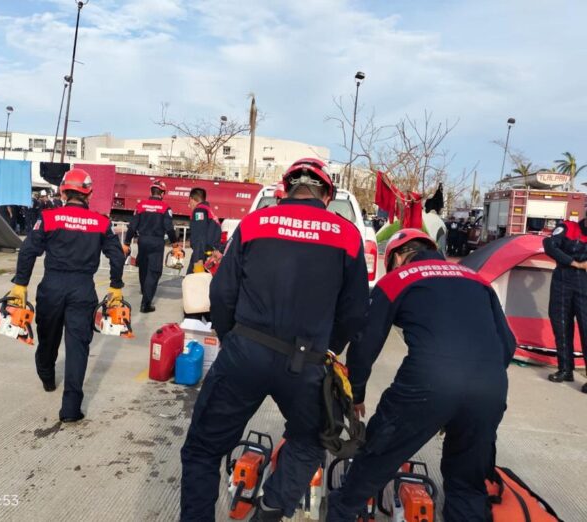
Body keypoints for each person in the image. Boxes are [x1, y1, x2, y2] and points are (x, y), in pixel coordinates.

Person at [180, 158, 369, 521]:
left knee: (202, 450)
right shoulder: (347, 235)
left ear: (285, 190)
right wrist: (328, 347)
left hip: (245, 351)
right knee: (308, 444)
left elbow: (222, 292)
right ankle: (268, 511)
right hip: (306, 362)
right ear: (326, 195)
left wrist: (231, 338)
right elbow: (356, 310)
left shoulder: (255, 223)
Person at [327, 229, 516, 522]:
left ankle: (342, 511)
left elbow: (365, 341)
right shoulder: (477, 280)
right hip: (489, 386)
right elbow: (508, 343)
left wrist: (356, 392)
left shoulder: (398, 279)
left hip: (429, 382)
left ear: (397, 258)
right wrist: (472, 387)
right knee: (467, 482)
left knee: (378, 455)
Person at [7, 168, 125, 422]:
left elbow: (28, 251)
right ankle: (70, 408)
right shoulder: (101, 222)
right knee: (78, 347)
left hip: (52, 286)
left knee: (48, 339)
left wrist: (21, 284)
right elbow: (117, 255)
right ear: (89, 194)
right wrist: (116, 285)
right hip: (83, 288)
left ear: (62, 192)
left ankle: (47, 376)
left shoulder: (48, 217)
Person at [123, 180, 181, 313]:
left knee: (143, 268)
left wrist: (126, 243)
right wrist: (175, 244)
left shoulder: (141, 206)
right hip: (156, 242)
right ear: (162, 193)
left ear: (151, 191)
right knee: (154, 271)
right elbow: (169, 228)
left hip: (142, 241)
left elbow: (132, 226)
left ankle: (145, 290)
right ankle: (146, 304)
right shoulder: (165, 208)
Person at [543, 219, 587, 393]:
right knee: (561, 325)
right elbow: (549, 245)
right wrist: (575, 263)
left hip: (584, 285)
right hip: (562, 282)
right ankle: (565, 369)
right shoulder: (567, 227)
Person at [187, 187, 222, 274]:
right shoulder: (209, 212)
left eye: (189, 201)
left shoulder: (199, 211)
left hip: (202, 256)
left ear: (191, 199)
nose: (189, 204)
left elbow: (200, 235)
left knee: (191, 280)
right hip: (210, 256)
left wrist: (198, 258)